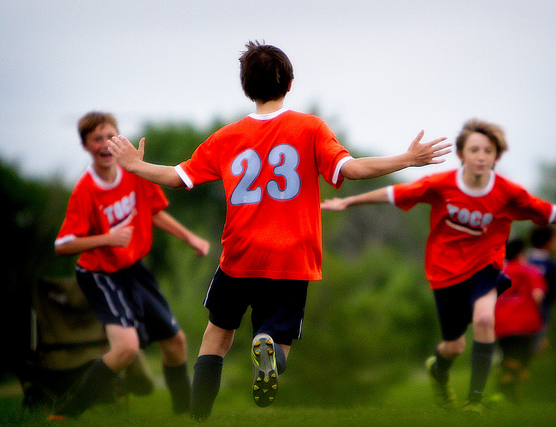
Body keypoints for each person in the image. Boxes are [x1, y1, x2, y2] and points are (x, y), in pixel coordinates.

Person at [107, 40, 452, 421]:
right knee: (279, 341)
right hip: (292, 256)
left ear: (246, 87)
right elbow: (349, 169)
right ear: (289, 84)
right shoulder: (309, 128)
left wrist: (136, 166)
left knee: (216, 336)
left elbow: (176, 177)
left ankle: (197, 417)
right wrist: (407, 158)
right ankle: (266, 347)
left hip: (240, 255)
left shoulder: (226, 137)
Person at [320, 118, 556, 414]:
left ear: (496, 157)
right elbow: (392, 194)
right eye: (475, 150)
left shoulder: (507, 192)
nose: (481, 156)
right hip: (444, 272)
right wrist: (347, 203)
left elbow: (550, 211)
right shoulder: (442, 184)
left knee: (484, 319)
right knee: (453, 347)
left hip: (485, 267)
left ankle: (474, 400)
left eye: (488, 151)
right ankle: (438, 371)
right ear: (462, 154)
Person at [52, 111, 210, 419]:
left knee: (176, 341)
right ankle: (66, 413)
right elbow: (62, 245)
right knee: (126, 348)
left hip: (133, 269)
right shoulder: (85, 190)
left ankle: (186, 415)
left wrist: (190, 239)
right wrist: (106, 238)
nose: (104, 144)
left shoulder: (133, 173)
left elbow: (153, 211)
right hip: (99, 274)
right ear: (86, 146)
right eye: (96, 139)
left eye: (110, 136)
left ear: (119, 140)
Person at [494, 238, 546, 404]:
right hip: (525, 324)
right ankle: (507, 389)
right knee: (524, 362)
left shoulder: (498, 273)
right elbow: (538, 295)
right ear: (522, 253)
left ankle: (507, 392)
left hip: (501, 325)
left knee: (510, 359)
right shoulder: (531, 271)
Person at [527, 225, 556, 354]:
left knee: (519, 351)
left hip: (512, 313)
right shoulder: (553, 267)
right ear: (548, 242)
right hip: (541, 315)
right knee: (532, 350)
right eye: (555, 240)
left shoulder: (522, 260)